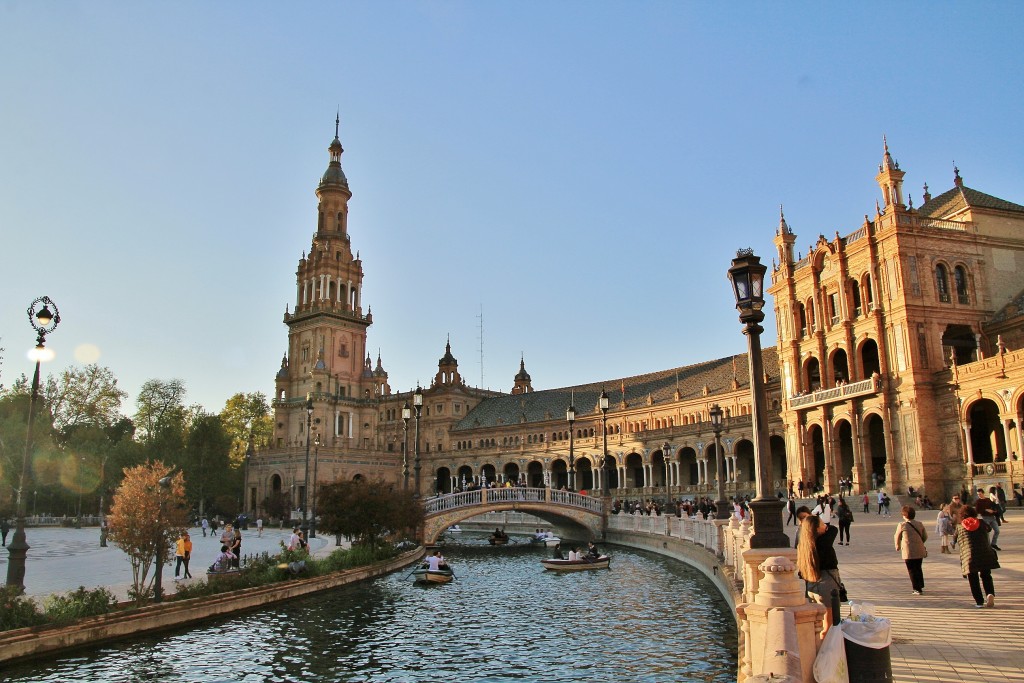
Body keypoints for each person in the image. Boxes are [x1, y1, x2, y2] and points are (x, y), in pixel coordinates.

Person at [795, 514, 841, 630]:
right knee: (828, 626)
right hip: (826, 585)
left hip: (812, 585)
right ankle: (825, 648)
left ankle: (817, 646)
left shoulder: (805, 545)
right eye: (822, 524)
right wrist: (824, 527)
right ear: (816, 529)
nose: (825, 525)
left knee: (817, 625)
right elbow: (834, 529)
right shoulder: (823, 542)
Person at [955, 505, 1000, 608]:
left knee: (973, 578)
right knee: (986, 575)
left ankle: (979, 602)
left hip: (969, 556)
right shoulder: (982, 522)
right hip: (985, 554)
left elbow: (957, 539)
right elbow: (988, 529)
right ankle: (990, 593)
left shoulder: (960, 526)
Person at [895, 505, 928, 594]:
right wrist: (920, 543)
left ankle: (917, 588)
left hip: (908, 550)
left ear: (905, 515)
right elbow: (925, 536)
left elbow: (897, 536)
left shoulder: (902, 525)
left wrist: (897, 546)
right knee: (918, 567)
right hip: (919, 549)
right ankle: (920, 584)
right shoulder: (919, 524)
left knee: (911, 569)